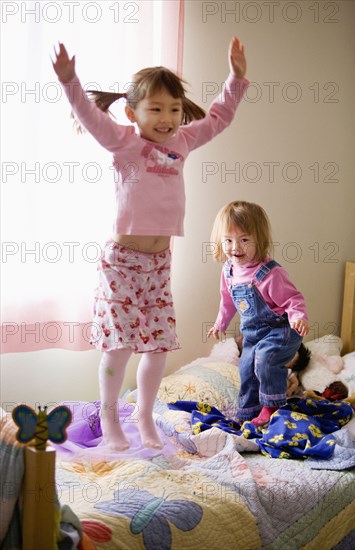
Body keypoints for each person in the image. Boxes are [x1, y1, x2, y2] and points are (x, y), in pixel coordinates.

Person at [52, 39, 249, 450]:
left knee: (158, 345)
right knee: (120, 344)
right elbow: (89, 116)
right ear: (132, 112)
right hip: (121, 263)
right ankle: (110, 416)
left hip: (159, 261)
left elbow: (218, 117)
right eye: (155, 109)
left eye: (174, 109)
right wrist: (70, 82)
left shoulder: (182, 142)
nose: (167, 118)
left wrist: (235, 78)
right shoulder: (123, 142)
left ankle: (143, 413)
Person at [207, 201, 309, 426]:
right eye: (228, 240)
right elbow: (227, 301)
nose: (236, 247)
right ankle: (248, 413)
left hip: (281, 330)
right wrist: (220, 324)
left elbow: (293, 299)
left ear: (259, 241)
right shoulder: (229, 271)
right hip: (253, 334)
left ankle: (271, 406)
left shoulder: (269, 274)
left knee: (265, 359)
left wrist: (298, 316)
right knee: (246, 369)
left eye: (244, 240)